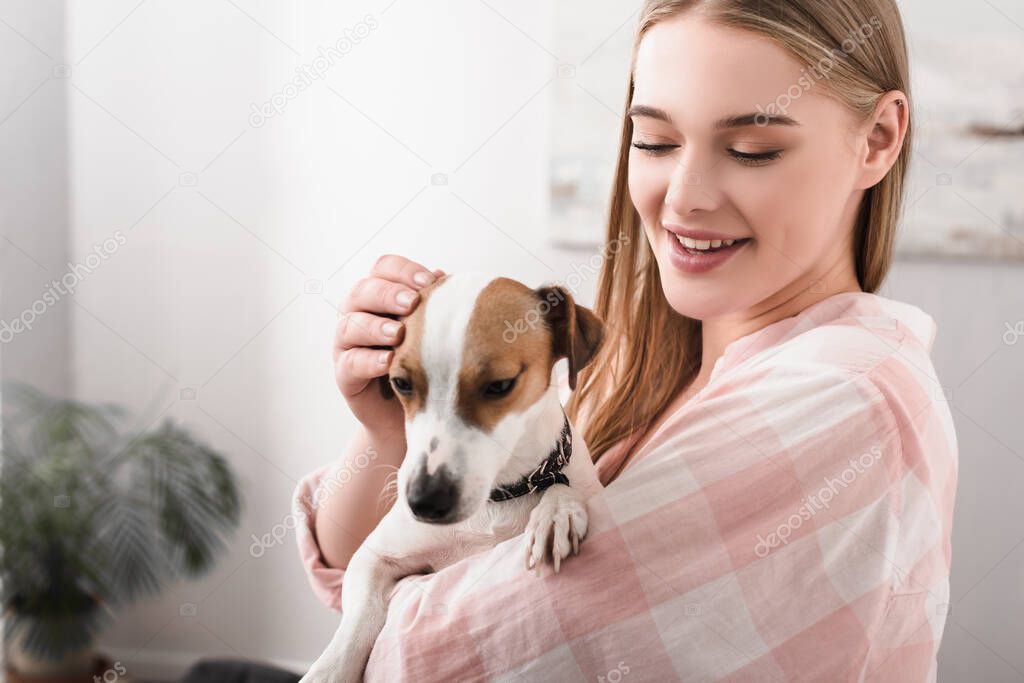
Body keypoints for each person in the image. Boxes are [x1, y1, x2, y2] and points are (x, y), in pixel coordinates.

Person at [294, 0, 958, 679]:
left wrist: (371, 606)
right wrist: (386, 433)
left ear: (876, 139)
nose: (684, 198)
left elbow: (424, 657)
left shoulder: (839, 400)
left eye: (750, 149)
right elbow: (355, 579)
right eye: (655, 141)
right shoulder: (639, 370)